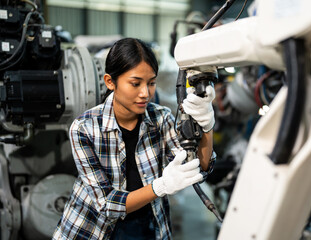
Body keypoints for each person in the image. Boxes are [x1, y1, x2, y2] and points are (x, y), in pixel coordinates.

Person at [52, 38, 216, 240]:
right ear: (110, 82)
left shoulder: (161, 119)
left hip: (148, 226)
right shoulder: (84, 128)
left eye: (151, 83)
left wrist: (207, 125)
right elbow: (107, 205)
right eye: (135, 83)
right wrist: (161, 186)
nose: (145, 93)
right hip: (92, 231)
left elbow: (197, 167)